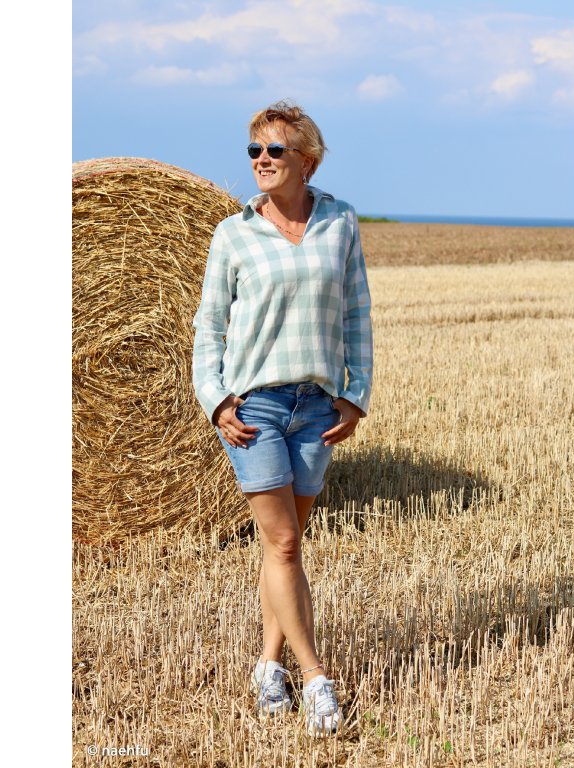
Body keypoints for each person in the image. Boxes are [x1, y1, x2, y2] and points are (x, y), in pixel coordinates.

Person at [191, 100, 373, 736]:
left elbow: (356, 314)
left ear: (308, 161)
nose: (261, 160)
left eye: (275, 150)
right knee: (286, 544)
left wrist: (356, 394)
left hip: (317, 407)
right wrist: (216, 399)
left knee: (284, 549)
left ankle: (268, 664)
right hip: (256, 408)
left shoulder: (340, 223)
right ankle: (316, 677)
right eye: (254, 150)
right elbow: (209, 327)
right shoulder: (233, 233)